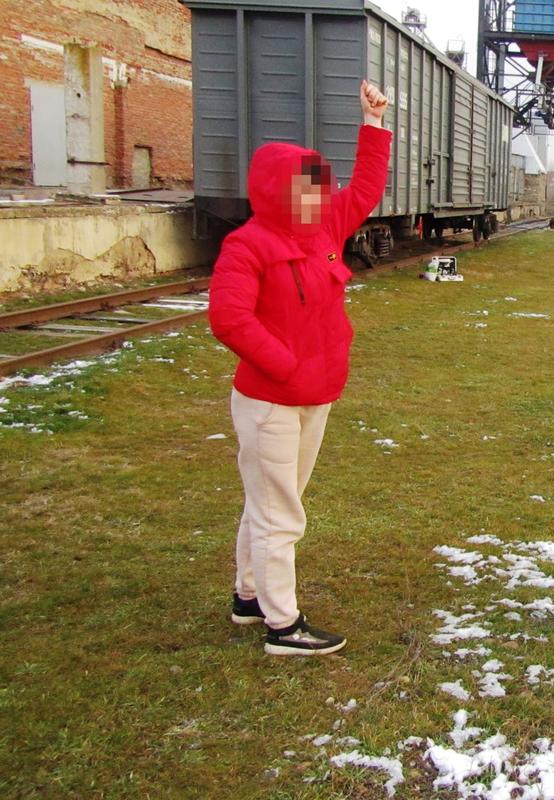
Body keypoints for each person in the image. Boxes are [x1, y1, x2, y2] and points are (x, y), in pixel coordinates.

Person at [208, 80, 392, 656]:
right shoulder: (248, 246)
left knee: (269, 499)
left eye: (322, 189)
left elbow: (365, 187)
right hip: (272, 401)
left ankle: (248, 596)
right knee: (278, 509)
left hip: (316, 394)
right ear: (276, 192)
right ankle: (283, 626)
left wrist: (374, 122)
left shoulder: (324, 228)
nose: (321, 198)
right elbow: (229, 319)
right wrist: (285, 365)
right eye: (307, 190)